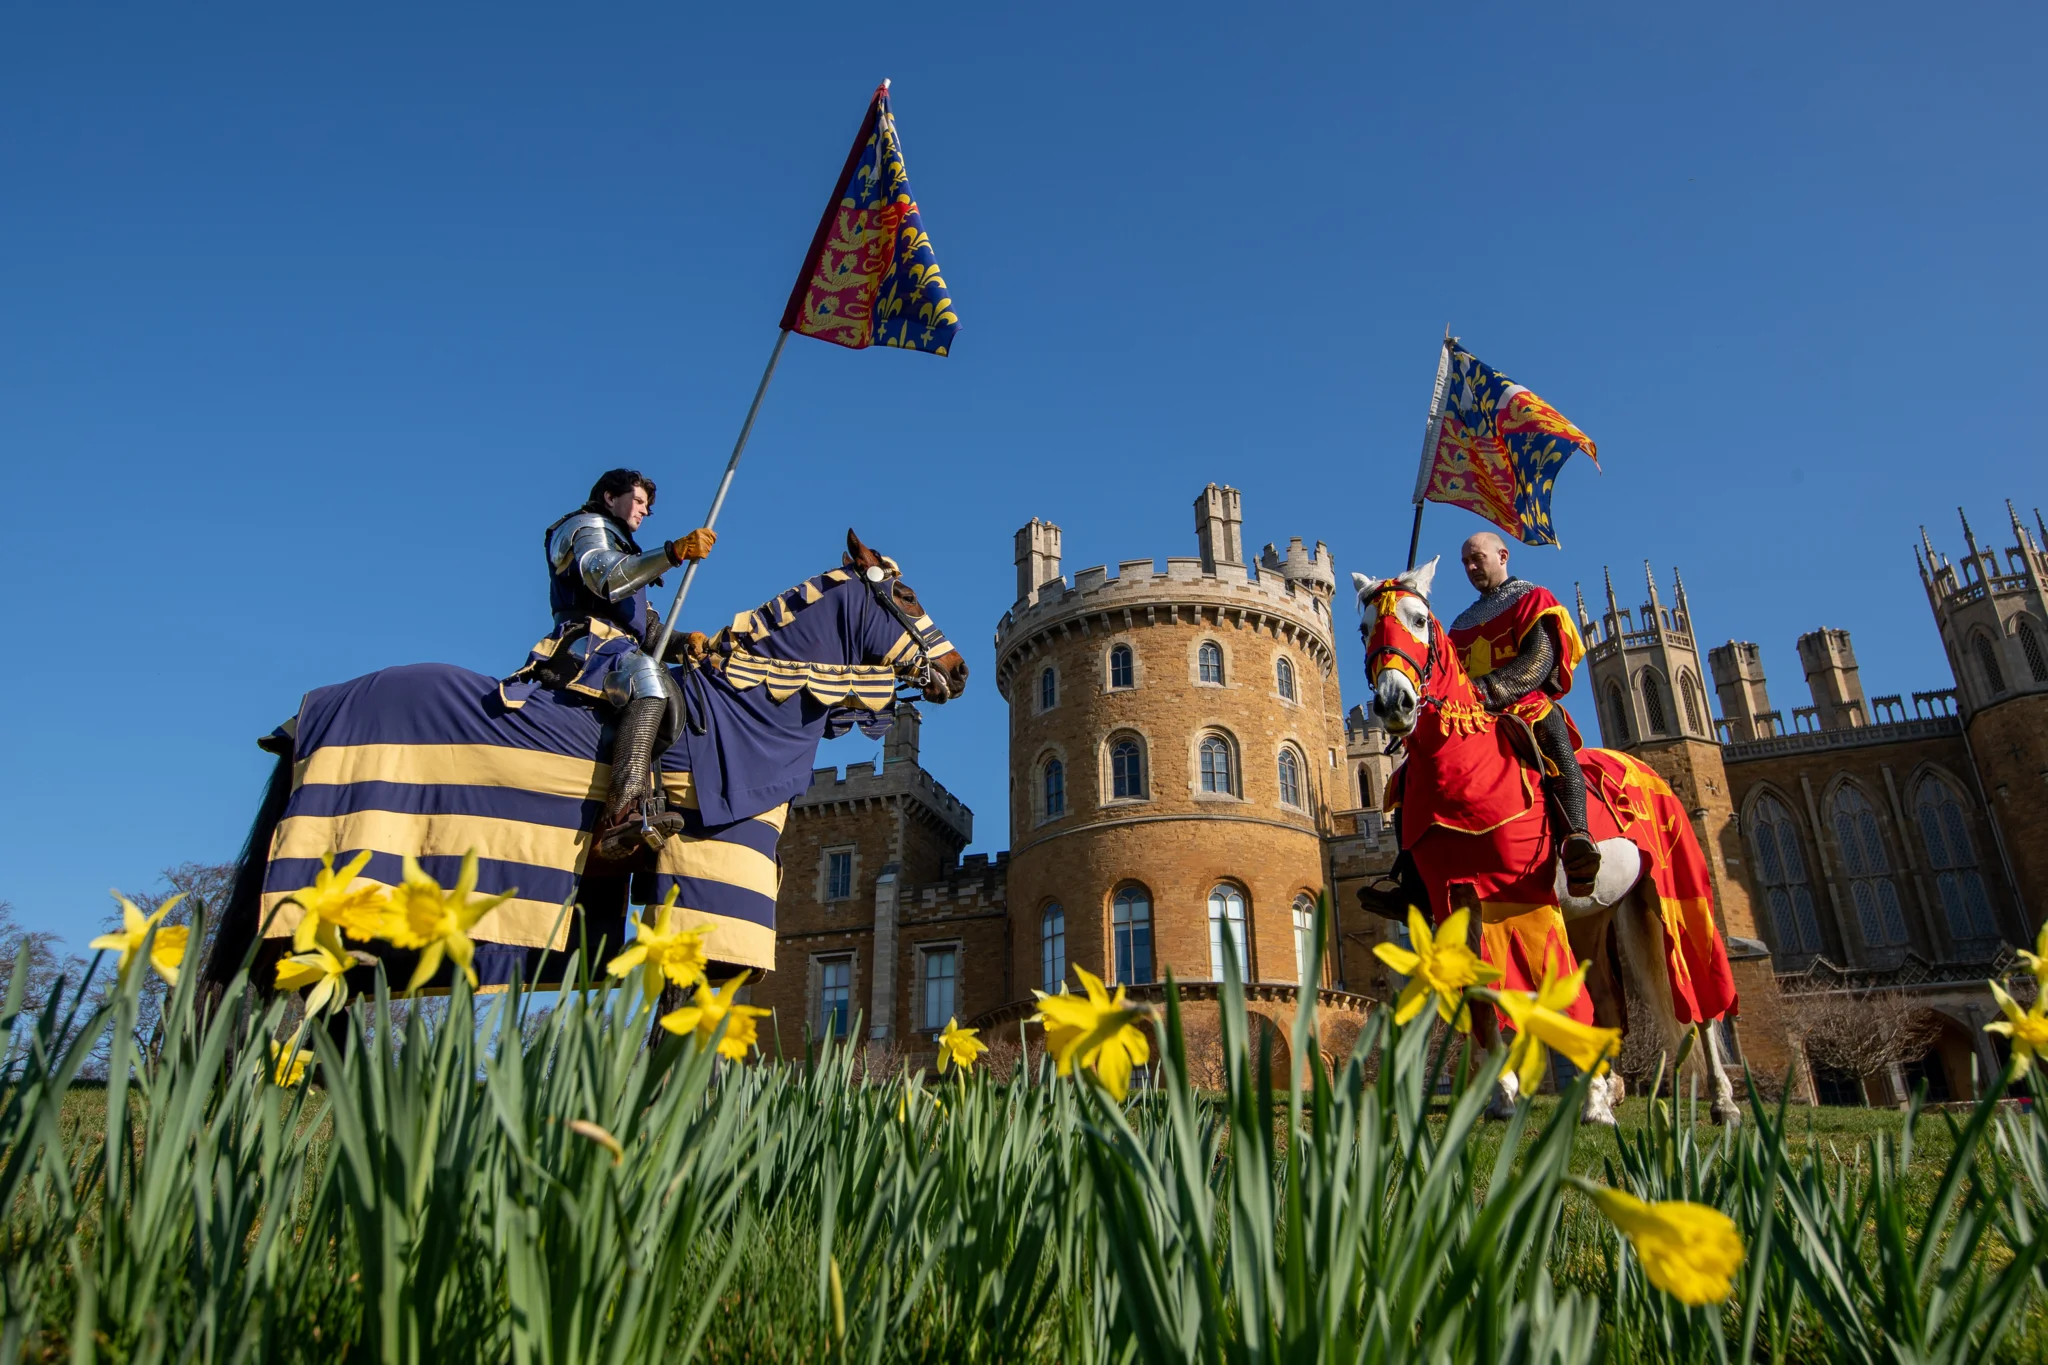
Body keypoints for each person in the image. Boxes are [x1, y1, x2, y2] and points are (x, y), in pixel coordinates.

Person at [502, 469, 716, 860]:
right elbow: (606, 579)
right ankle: (623, 813)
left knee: (665, 677)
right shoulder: (583, 527)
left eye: (647, 507)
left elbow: (649, 633)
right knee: (647, 679)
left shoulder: (629, 552)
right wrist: (672, 554)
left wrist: (692, 642)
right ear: (608, 497)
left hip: (621, 646)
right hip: (586, 643)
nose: (644, 512)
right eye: (638, 501)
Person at [1451, 531, 1601, 896]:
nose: (1471, 567)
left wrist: (1485, 692)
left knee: (1550, 731)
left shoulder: (1533, 599)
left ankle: (1577, 837)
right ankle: (1407, 873)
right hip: (1471, 713)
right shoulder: (1458, 626)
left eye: (1478, 558)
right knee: (1417, 768)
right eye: (1466, 562)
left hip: (1520, 704)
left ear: (1502, 556)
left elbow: (1538, 661)